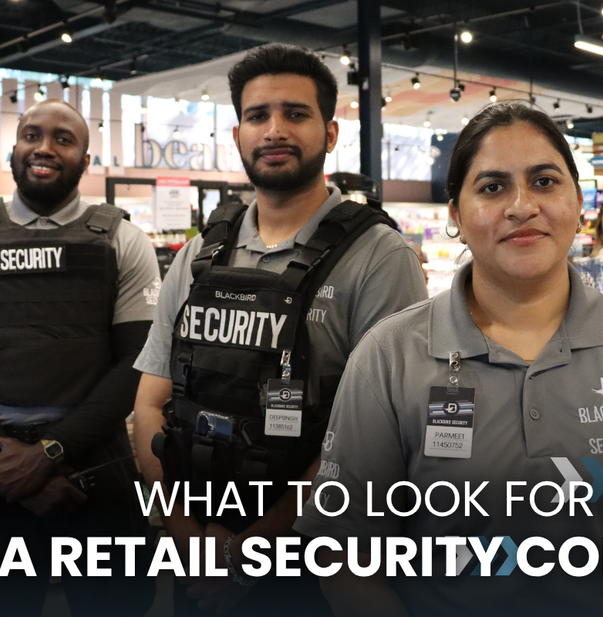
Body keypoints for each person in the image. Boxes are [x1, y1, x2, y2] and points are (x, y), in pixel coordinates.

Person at [295, 102, 603, 617]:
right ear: (456, 215)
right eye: (492, 187)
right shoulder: (388, 357)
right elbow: (345, 558)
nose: (521, 205)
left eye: (545, 181)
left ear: (578, 202)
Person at [132, 43, 428, 616]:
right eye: (257, 115)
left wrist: (256, 551)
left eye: (296, 113)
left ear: (331, 133)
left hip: (314, 565)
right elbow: (151, 398)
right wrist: (181, 530)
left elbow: (374, 436)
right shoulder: (200, 254)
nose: (274, 130)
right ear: (237, 134)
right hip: (196, 552)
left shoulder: (378, 257)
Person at [0, 99, 160, 617]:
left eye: (63, 139)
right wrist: (6, 469)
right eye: (32, 135)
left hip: (96, 470)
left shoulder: (122, 240)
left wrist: (47, 455)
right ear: (14, 148)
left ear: (85, 161)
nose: (44, 148)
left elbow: (137, 358)